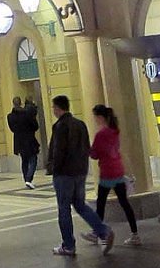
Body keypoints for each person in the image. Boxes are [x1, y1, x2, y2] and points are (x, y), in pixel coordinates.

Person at [46, 94, 114, 257]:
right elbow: (86, 148)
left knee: (64, 209)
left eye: (54, 108)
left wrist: (53, 168)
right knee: (80, 204)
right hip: (80, 172)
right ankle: (103, 231)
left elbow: (58, 151)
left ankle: (68, 245)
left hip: (64, 174)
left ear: (57, 108)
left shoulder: (60, 126)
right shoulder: (80, 124)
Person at [86, 104, 141, 247]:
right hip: (117, 170)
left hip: (107, 172)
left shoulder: (100, 134)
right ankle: (135, 234)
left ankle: (96, 232)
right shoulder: (114, 131)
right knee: (124, 203)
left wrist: (87, 149)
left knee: (101, 203)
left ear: (99, 117)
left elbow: (95, 154)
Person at [6, 96, 40, 189]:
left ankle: (26, 180)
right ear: (21, 103)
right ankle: (29, 179)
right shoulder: (27, 114)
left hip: (19, 141)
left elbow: (12, 129)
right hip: (29, 140)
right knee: (33, 159)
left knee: (24, 160)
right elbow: (35, 126)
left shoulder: (10, 116)